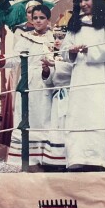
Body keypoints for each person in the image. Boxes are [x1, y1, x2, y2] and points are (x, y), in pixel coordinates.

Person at [61, 0, 105, 172]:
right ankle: (78, 158)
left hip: (101, 78)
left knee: (99, 116)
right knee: (79, 117)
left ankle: (101, 159)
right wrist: (70, 51)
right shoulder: (75, 24)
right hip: (80, 78)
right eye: (80, 0)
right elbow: (64, 50)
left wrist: (89, 50)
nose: (83, 4)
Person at [0, 4, 54, 171]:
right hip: (28, 83)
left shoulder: (55, 37)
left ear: (48, 20)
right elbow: (15, 58)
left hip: (48, 81)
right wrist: (2, 60)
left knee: (46, 118)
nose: (37, 21)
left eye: (42, 18)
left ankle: (47, 159)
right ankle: (28, 160)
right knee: (28, 117)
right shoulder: (25, 37)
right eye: (35, 17)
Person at [41, 11, 73, 171]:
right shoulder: (54, 56)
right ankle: (56, 161)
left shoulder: (71, 55)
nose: (57, 41)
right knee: (56, 127)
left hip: (70, 96)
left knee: (67, 127)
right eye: (55, 38)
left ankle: (69, 159)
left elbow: (74, 70)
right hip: (57, 98)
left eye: (61, 37)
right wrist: (46, 71)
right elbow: (50, 83)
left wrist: (55, 65)